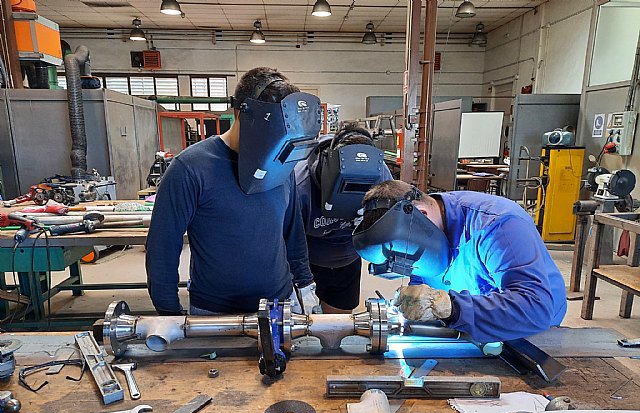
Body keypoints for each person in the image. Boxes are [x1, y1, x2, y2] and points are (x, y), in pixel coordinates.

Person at [146, 67, 321, 316]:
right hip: (215, 312)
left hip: (278, 304)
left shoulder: (282, 163)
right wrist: (170, 315)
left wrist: (304, 284)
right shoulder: (190, 168)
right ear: (241, 113)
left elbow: (293, 231)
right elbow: (162, 247)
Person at [352, 180, 567, 343]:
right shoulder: (421, 230)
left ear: (422, 216)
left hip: (532, 332)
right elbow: (422, 279)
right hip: (471, 332)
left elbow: (535, 309)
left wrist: (452, 308)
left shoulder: (498, 226)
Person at [295, 124, 392, 313]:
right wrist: (301, 281)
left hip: (347, 261)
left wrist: (373, 226)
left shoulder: (379, 173)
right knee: (301, 323)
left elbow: (391, 220)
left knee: (336, 326)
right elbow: (287, 241)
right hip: (307, 259)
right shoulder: (300, 185)